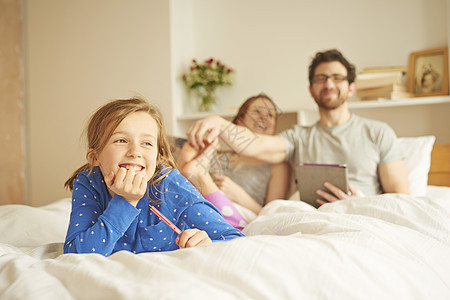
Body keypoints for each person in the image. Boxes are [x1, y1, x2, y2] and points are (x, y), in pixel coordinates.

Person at [186, 49, 410, 206]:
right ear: (311, 89)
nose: (329, 84)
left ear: (351, 88)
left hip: (363, 217)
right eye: (321, 78)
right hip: (309, 222)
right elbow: (257, 144)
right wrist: (220, 123)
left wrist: (359, 204)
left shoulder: (378, 132)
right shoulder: (298, 137)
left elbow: (401, 199)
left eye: (337, 78)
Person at [64, 97, 243, 256]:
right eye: (121, 140)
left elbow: (236, 240)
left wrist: (207, 242)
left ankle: (196, 168)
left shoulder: (171, 186)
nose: (135, 152)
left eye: (147, 143)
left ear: (157, 157)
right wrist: (125, 201)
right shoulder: (89, 182)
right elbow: (76, 254)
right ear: (95, 158)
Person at [178, 94, 291, 229]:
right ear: (240, 121)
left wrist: (239, 195)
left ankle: (200, 175)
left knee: (195, 175)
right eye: (257, 112)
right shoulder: (220, 157)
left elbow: (273, 215)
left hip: (242, 219)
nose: (264, 118)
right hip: (205, 209)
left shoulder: (278, 165)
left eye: (270, 115)